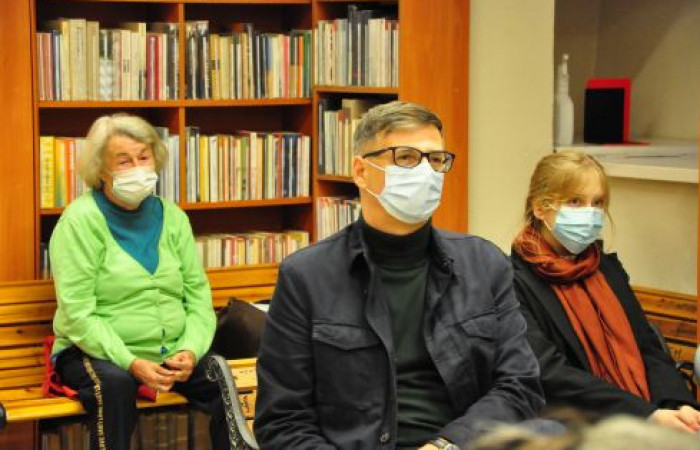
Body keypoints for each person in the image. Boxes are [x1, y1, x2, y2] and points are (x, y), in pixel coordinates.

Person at [255, 101, 544, 449]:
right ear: (361, 171)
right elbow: (283, 422)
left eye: (436, 160)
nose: (426, 172)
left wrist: (446, 446)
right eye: (406, 157)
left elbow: (519, 386)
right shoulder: (306, 277)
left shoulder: (485, 264)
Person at [50, 114, 229, 450]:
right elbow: (78, 314)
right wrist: (131, 362)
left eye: (143, 157)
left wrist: (190, 350)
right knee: (115, 386)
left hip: (172, 352)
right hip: (94, 352)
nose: (137, 168)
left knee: (226, 379)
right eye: (123, 161)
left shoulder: (173, 216)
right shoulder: (79, 222)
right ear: (101, 170)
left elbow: (197, 296)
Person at [511, 150, 700, 434]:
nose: (590, 213)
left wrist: (678, 406)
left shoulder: (607, 268)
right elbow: (550, 374)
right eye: (575, 201)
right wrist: (646, 415)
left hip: (647, 414)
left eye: (597, 202)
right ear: (539, 207)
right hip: (573, 425)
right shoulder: (512, 280)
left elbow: (647, 347)